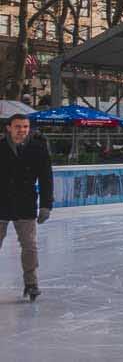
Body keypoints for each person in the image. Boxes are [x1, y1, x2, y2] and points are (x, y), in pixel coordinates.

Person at [0, 113, 52, 301]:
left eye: (25, 127)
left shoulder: (38, 148)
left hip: (25, 203)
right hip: (1, 203)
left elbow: (46, 179)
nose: (21, 130)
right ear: (9, 128)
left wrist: (46, 205)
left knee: (29, 246)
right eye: (17, 127)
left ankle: (31, 283)